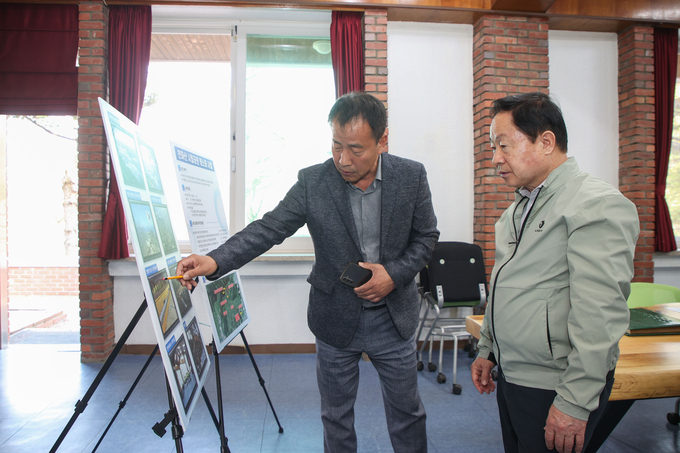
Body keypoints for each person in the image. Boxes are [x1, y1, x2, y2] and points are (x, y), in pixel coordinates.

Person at [177, 92, 439, 453]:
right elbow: (269, 228)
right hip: (335, 318)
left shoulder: (411, 176)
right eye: (336, 145)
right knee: (336, 417)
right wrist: (215, 260)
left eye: (356, 149)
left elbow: (426, 238)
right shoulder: (313, 181)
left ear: (382, 141)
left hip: (393, 320)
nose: (343, 159)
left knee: (407, 415)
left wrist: (393, 275)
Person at [470, 92, 639, 453]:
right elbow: (505, 287)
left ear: (546, 142)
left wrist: (575, 401)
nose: (495, 158)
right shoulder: (518, 209)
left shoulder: (595, 204)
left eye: (503, 145)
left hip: (555, 385)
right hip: (513, 375)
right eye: (493, 147)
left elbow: (599, 315)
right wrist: (488, 349)